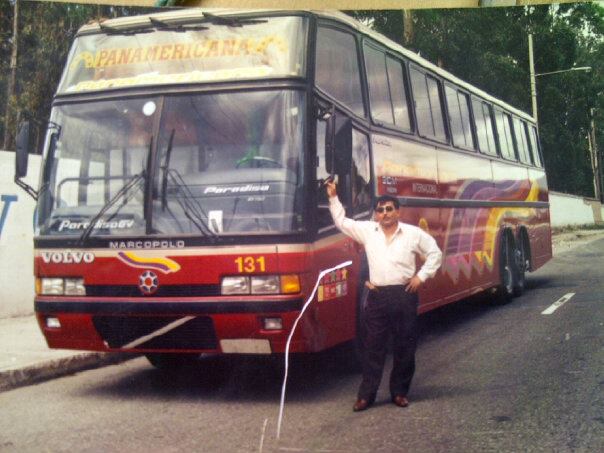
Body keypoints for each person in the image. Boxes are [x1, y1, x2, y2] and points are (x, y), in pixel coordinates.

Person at [325, 179, 442, 412]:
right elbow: (341, 221)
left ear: (398, 212)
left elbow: (435, 253)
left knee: (405, 346)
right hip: (377, 297)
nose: (386, 213)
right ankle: (366, 396)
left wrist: (421, 277)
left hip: (404, 295)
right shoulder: (368, 231)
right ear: (376, 215)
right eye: (381, 210)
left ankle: (399, 392)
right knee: (373, 348)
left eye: (390, 209)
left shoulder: (413, 234)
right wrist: (333, 196)